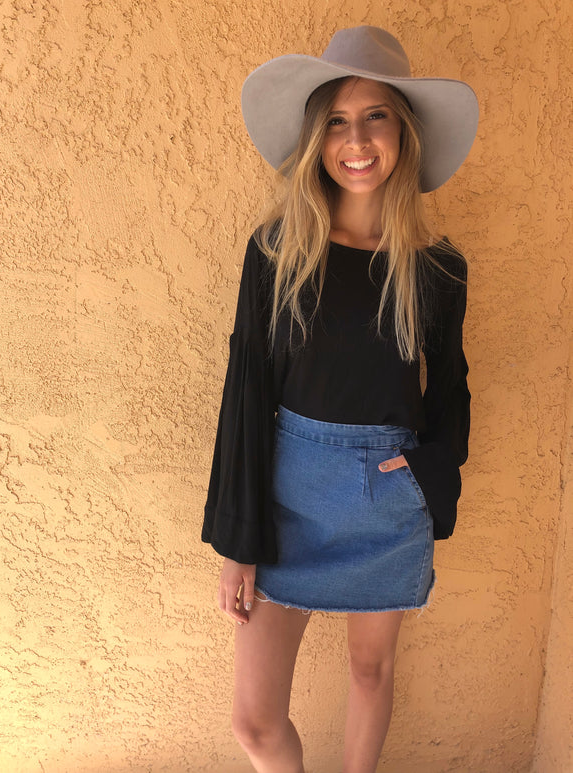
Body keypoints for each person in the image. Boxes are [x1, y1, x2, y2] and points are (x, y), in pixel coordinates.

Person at [202, 25, 478, 773]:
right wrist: (237, 541)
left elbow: (450, 387)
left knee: (370, 671)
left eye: (376, 115)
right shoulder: (277, 254)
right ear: (316, 139)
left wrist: (426, 476)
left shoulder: (437, 269)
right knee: (255, 722)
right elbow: (246, 389)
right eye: (336, 121)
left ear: (404, 132)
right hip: (286, 496)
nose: (356, 141)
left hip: (388, 498)